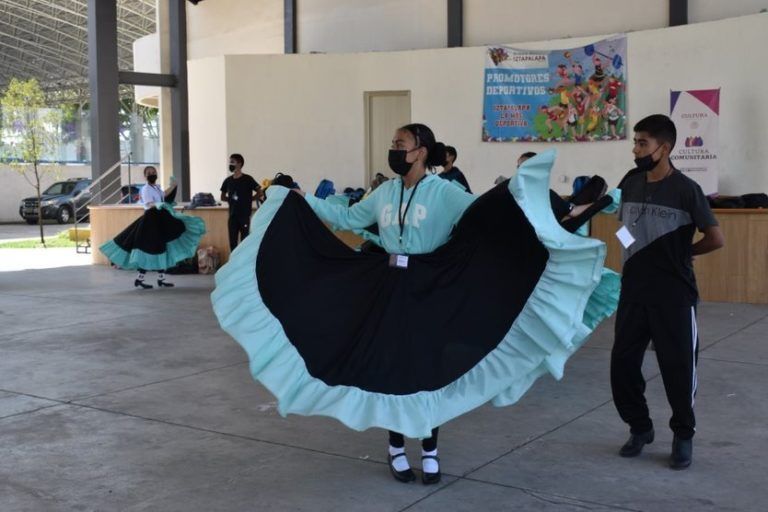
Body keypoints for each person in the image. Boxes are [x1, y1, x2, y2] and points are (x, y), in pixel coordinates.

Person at [210, 126, 618, 489]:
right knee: (390, 365)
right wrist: (302, 200)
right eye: (393, 143)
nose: (394, 149)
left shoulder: (444, 192)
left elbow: (488, 213)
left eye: (400, 143)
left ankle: (429, 448)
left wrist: (558, 210)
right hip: (388, 285)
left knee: (426, 366)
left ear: (421, 151)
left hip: (430, 284)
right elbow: (347, 217)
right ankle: (395, 447)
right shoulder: (385, 192)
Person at [611, 114, 724, 470]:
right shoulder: (630, 182)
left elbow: (716, 238)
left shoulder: (686, 189)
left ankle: (683, 435)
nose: (636, 149)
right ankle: (640, 428)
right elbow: (621, 227)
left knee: (678, 369)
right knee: (622, 366)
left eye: (642, 143)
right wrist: (632, 248)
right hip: (633, 291)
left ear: (665, 148)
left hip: (674, 295)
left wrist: (684, 253)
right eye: (635, 142)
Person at [99, 166, 206, 288]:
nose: (152, 174)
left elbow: (164, 195)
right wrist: (158, 204)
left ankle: (160, 279)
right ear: (145, 176)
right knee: (149, 248)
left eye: (154, 172)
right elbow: (149, 204)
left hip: (159, 219)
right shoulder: (145, 189)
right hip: (150, 221)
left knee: (161, 246)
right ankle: (141, 279)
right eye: (149, 173)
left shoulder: (156, 187)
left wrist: (173, 186)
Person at [220, 153, 261, 251]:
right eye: (230, 162)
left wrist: (249, 199)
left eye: (232, 162)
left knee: (244, 243)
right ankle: (234, 260)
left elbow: (260, 192)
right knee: (233, 243)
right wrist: (231, 199)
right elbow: (222, 197)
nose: (230, 164)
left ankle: (243, 260)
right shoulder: (228, 181)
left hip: (244, 217)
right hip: (232, 217)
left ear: (239, 164)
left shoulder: (248, 179)